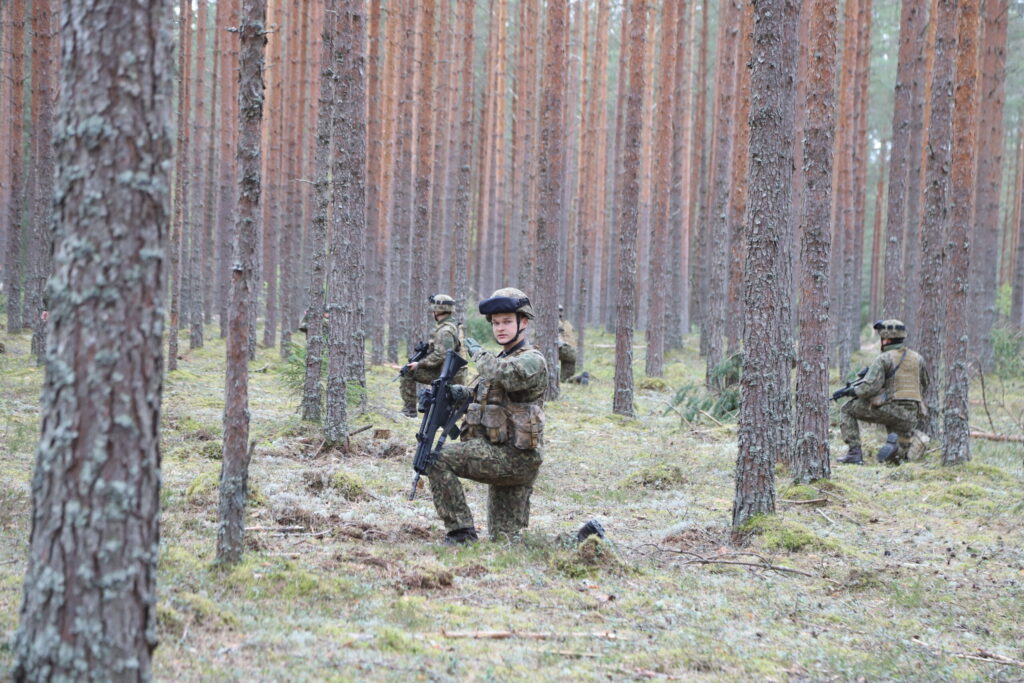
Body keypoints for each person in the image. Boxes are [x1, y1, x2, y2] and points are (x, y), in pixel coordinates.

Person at [426, 287, 547, 544]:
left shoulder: (532, 359)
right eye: (495, 323)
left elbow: (507, 375)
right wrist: (455, 393)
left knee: (435, 458)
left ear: (523, 322)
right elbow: (483, 395)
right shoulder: (501, 358)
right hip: (499, 452)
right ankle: (584, 538)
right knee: (507, 542)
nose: (500, 328)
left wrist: (479, 354)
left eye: (507, 322)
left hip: (515, 458)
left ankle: (461, 532)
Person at [836, 319, 931, 465]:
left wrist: (851, 391)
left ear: (886, 339)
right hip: (911, 413)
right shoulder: (917, 358)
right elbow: (925, 384)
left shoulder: (884, 358)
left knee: (847, 409)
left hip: (889, 409)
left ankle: (854, 453)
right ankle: (897, 450)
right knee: (898, 458)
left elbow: (868, 389)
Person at [399, 294, 467, 418]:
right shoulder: (452, 326)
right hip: (451, 371)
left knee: (407, 372)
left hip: (449, 375)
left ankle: (409, 412)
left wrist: (419, 364)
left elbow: (440, 355)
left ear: (437, 311)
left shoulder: (444, 331)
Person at [557, 304, 577, 382]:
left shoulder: (560, 323)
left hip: (563, 348)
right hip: (570, 351)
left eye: (560, 311)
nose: (560, 313)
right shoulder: (566, 323)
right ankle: (572, 380)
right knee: (566, 380)